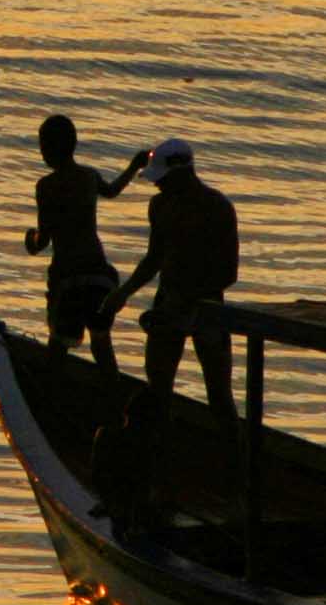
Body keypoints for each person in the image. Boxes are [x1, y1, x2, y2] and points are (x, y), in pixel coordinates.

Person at [94, 136, 239, 415]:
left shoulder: (218, 208)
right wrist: (122, 294)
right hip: (167, 304)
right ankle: (158, 447)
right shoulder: (159, 206)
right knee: (158, 390)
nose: (157, 183)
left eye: (162, 178)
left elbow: (228, 272)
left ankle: (236, 456)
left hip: (208, 308)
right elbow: (154, 259)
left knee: (220, 397)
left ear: (182, 174)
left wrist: (187, 301)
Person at [24, 115, 146, 355]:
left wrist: (31, 240)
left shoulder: (46, 187)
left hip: (68, 276)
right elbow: (112, 190)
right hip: (98, 272)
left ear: (47, 149)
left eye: (42, 146)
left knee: (58, 347)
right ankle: (113, 389)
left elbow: (44, 240)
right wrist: (134, 166)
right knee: (102, 346)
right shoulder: (89, 176)